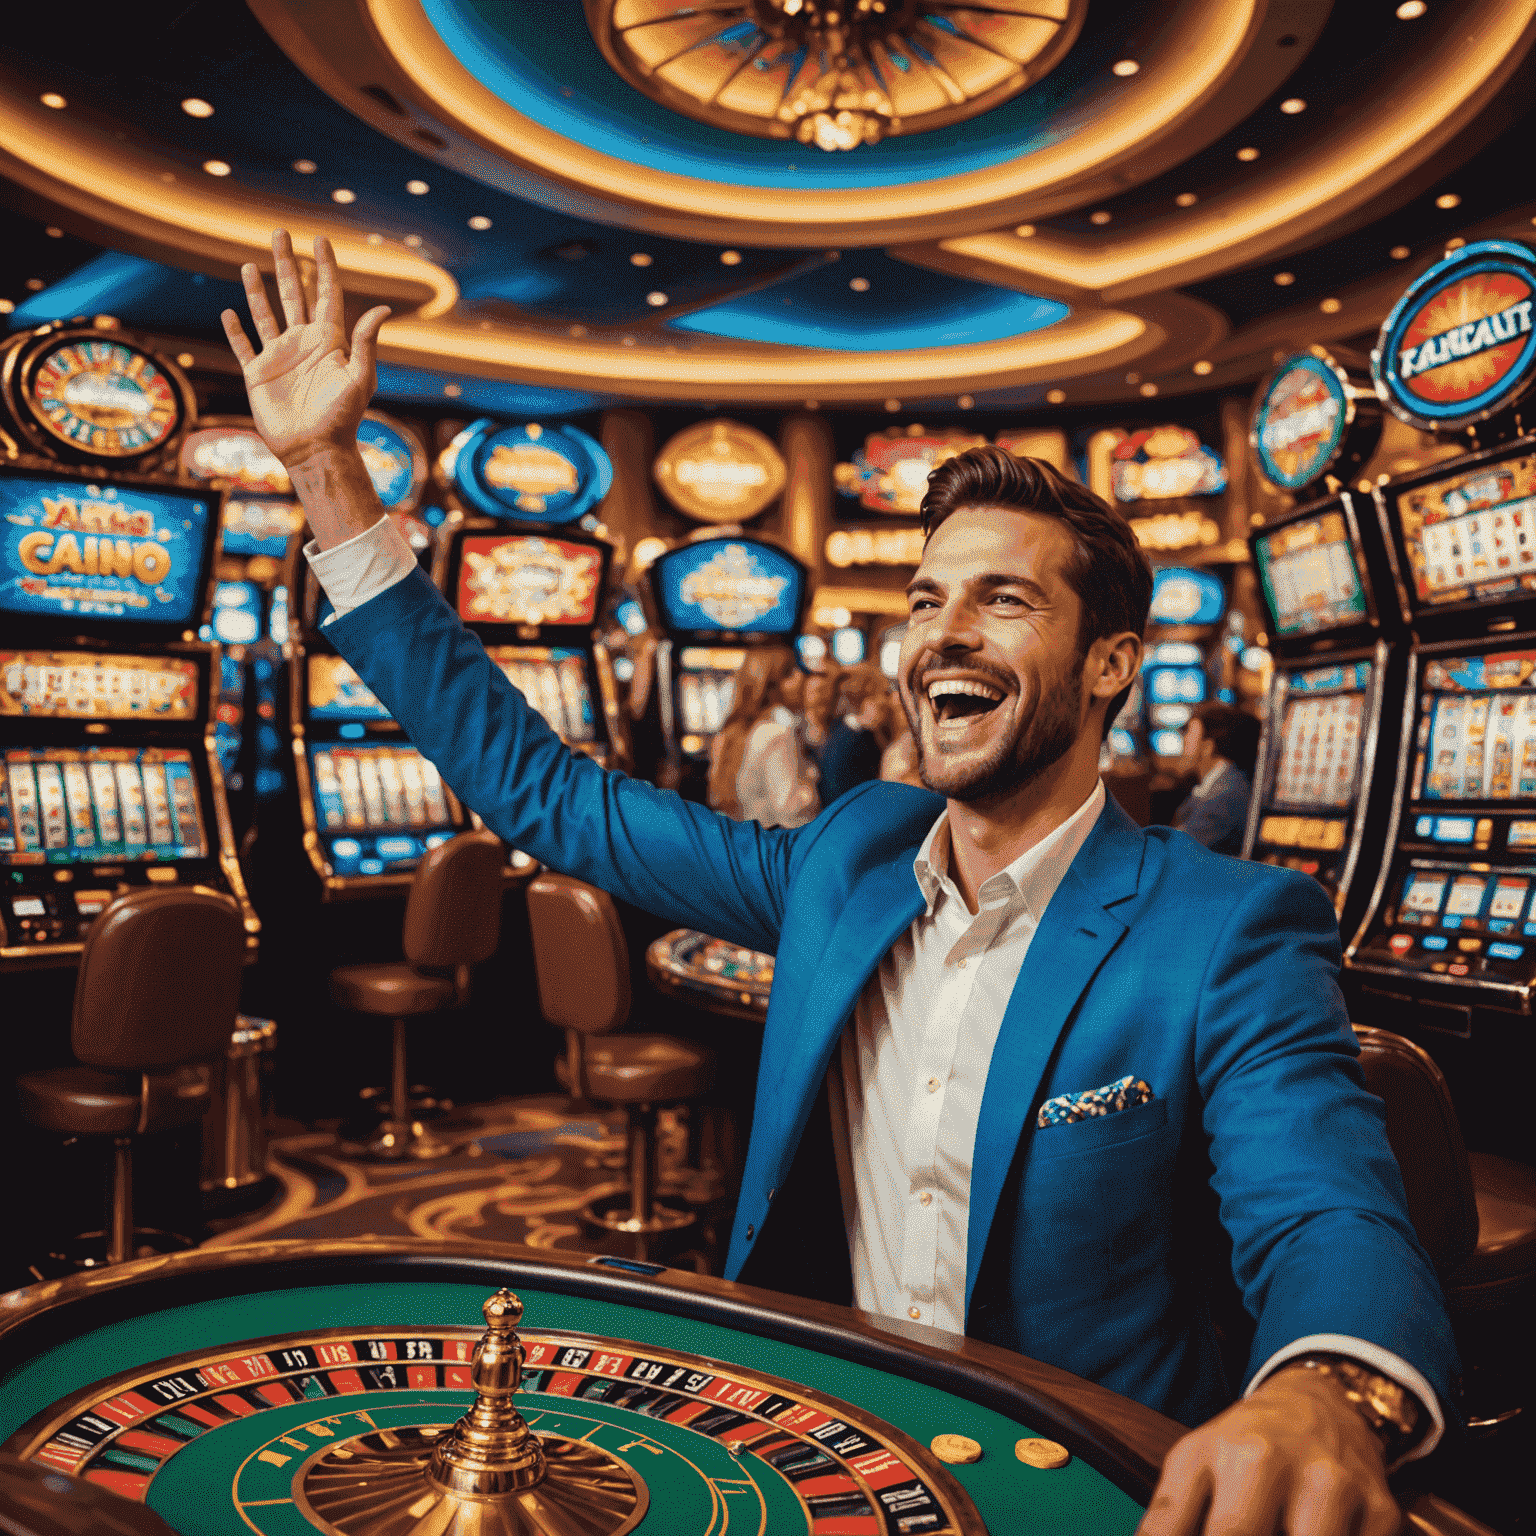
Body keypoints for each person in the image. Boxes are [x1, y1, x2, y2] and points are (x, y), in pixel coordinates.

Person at [224, 231, 1453, 1536]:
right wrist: (324, 469)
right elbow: (544, 791)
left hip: (1079, 1488)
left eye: (1004, 602)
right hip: (829, 1460)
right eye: (925, 602)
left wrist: (1325, 1390)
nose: (946, 635)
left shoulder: (1225, 927)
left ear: (1109, 666)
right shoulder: (848, 859)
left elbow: (1327, 1209)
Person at [707, 647, 819, 828]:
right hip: (771, 846)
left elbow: (716, 798)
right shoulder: (776, 732)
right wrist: (811, 781)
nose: (800, 677)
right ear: (769, 685)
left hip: (742, 843)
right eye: (790, 673)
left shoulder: (726, 734)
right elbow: (789, 810)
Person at [1174, 702, 1261, 855]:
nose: (1183, 741)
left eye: (1189, 733)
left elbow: (1178, 852)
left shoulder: (1226, 796)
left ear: (1207, 747)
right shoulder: (1220, 785)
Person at [819, 665, 896, 804]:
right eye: (885, 694)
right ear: (868, 700)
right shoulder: (858, 742)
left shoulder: (840, 734)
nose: (888, 702)